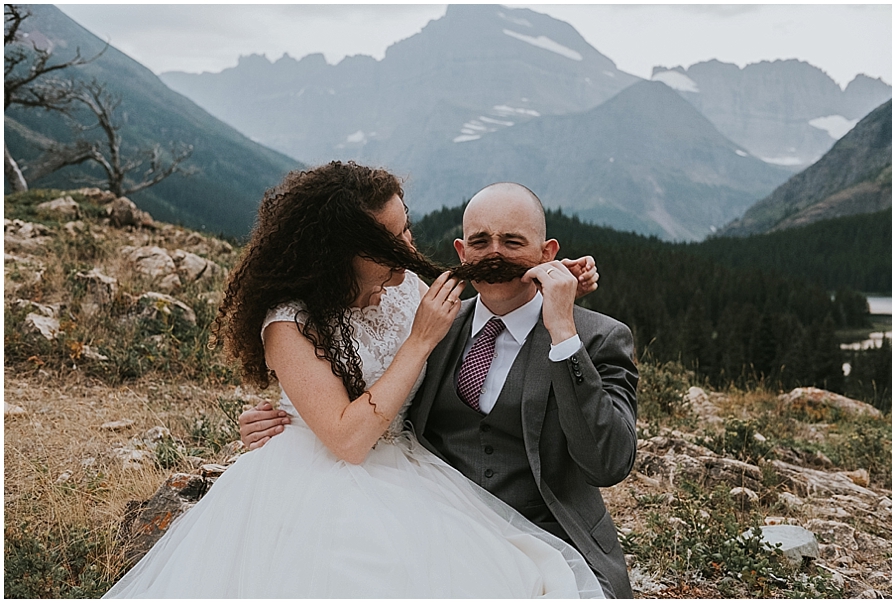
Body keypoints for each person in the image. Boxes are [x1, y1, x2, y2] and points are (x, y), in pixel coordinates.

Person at [104, 162, 608, 598]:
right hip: (320, 479)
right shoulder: (291, 322)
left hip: (413, 471)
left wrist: (556, 281)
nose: (410, 245)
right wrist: (417, 344)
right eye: (393, 237)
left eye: (406, 228)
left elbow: (490, 298)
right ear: (347, 248)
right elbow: (346, 439)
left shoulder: (406, 287)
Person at [241, 181, 640, 597]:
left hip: (550, 535)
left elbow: (608, 464)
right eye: (480, 242)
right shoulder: (433, 321)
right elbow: (353, 384)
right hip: (430, 516)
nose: (495, 255)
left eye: (513, 241)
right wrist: (294, 416)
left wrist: (563, 330)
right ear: (462, 253)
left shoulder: (598, 339)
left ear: (546, 254)